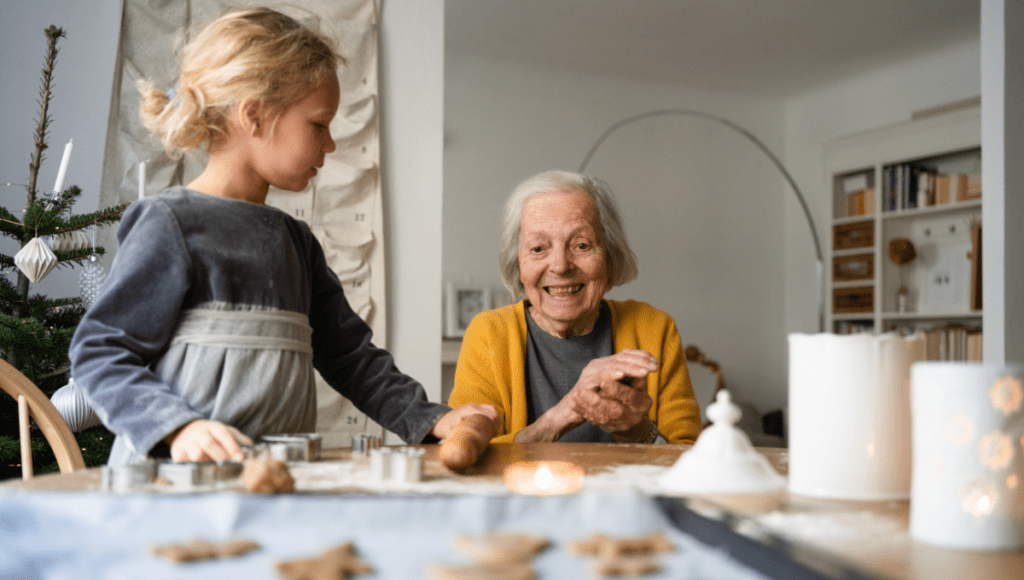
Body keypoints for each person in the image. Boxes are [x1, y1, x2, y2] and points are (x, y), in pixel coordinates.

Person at [69, 7, 495, 466]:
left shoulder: (296, 242)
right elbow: (100, 350)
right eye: (319, 124)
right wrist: (178, 427)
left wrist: (429, 418)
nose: (330, 144)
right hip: (172, 486)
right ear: (255, 115)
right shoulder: (169, 223)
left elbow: (350, 357)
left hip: (267, 483)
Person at [447, 170, 702, 444]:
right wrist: (561, 416)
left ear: (610, 254)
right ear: (517, 262)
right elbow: (467, 456)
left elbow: (688, 463)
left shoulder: (653, 328)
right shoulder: (489, 333)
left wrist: (635, 430)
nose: (560, 266)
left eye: (581, 245)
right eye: (538, 248)